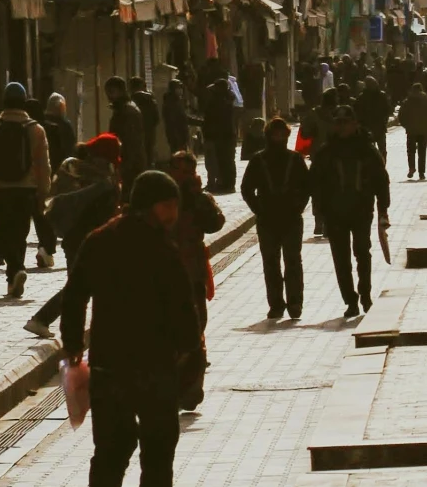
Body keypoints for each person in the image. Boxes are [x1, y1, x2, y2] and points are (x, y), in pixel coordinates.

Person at [63, 167, 202, 487]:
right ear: (148, 206)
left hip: (107, 365)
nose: (173, 213)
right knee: (158, 452)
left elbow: (74, 296)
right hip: (155, 368)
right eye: (167, 205)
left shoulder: (99, 240)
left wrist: (74, 345)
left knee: (112, 443)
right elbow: (183, 308)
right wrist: (189, 350)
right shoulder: (161, 249)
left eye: (175, 204)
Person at [26, 135, 123, 338]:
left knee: (81, 286)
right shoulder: (101, 181)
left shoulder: (83, 172)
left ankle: (54, 322)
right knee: (78, 288)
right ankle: (43, 320)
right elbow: (100, 215)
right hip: (86, 240)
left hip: (74, 238)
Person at [310, 101, 391, 318]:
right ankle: (350, 300)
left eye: (346, 122)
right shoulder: (326, 152)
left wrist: (383, 210)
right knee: (341, 258)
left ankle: (365, 293)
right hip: (334, 214)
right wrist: (319, 210)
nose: (342, 126)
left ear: (355, 124)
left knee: (362, 253)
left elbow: (381, 181)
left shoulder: (366, 150)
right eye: (338, 122)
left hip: (361, 210)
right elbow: (315, 182)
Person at [0, 81, 51, 301]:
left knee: (4, 232)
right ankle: (15, 272)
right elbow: (43, 164)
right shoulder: (35, 129)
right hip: (26, 189)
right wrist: (43, 191)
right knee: (20, 232)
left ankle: (14, 273)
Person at [165, 151, 224, 408]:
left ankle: (191, 389)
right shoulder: (160, 196)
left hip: (192, 274)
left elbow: (215, 223)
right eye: (181, 170)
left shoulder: (197, 199)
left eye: (190, 171)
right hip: (164, 277)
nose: (185, 176)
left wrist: (198, 198)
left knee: (196, 328)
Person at [241, 116, 312, 320]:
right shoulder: (259, 160)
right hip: (267, 219)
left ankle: (295, 303)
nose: (279, 137)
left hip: (291, 217)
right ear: (268, 136)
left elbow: (307, 187)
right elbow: (246, 188)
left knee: (292, 261)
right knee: (270, 263)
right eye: (275, 134)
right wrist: (259, 209)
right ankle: (276, 304)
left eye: (283, 134)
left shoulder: (295, 159)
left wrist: (299, 206)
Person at [34, 93, 78, 271]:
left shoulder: (39, 125)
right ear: (61, 108)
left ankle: (46, 247)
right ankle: (57, 246)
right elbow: (71, 150)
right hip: (61, 175)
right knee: (61, 210)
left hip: (42, 174)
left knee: (43, 211)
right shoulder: (65, 125)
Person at [103, 76, 148, 195]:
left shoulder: (128, 112)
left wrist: (123, 168)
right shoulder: (123, 109)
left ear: (121, 91)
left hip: (131, 167)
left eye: (111, 92)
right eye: (107, 92)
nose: (109, 96)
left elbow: (132, 144)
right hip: (128, 165)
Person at [199, 62, 238, 194]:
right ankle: (227, 182)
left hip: (221, 135)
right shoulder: (227, 100)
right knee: (226, 160)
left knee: (224, 160)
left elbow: (213, 118)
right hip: (227, 135)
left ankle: (226, 183)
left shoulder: (220, 101)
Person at [396, 80, 427, 179]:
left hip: (411, 131)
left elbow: (401, 116)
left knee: (410, 151)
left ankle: (411, 168)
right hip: (423, 130)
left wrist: (406, 125)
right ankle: (421, 172)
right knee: (422, 152)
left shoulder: (407, 102)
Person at [160, 70, 192, 155]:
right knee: (178, 156)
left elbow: (183, 117)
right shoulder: (171, 103)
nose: (180, 90)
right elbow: (173, 121)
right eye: (178, 88)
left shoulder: (177, 101)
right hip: (177, 136)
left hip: (181, 135)